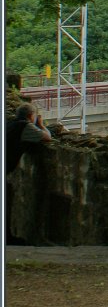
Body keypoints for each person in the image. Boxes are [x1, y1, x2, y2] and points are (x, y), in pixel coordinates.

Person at [6, 103, 51, 244]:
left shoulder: (9, 124)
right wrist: (42, 125)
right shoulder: (26, 126)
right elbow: (47, 138)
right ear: (31, 116)